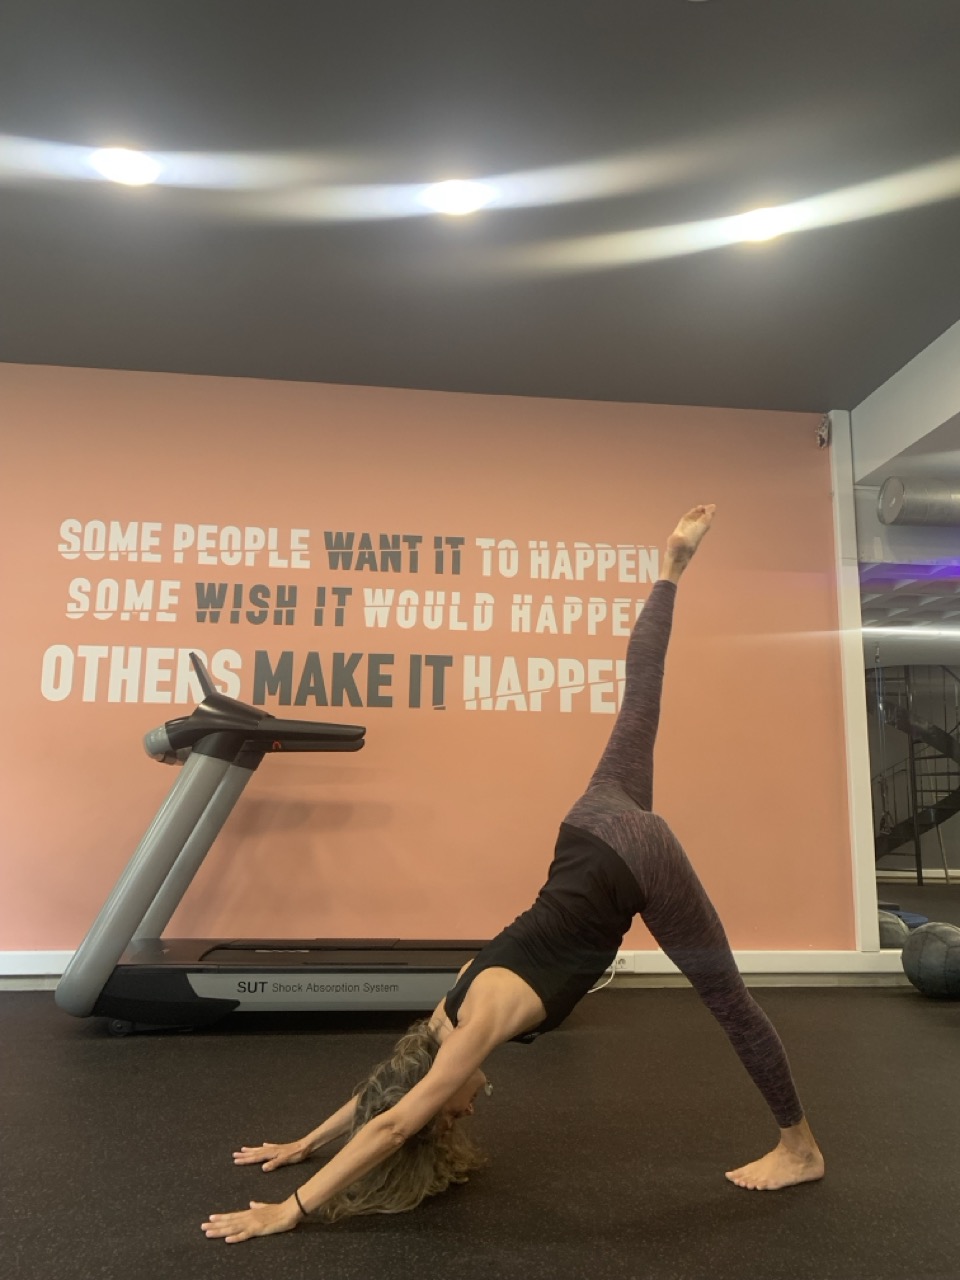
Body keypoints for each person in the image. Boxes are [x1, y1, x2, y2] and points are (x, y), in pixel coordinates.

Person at [202, 504, 824, 1245]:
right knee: (640, 700)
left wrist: (292, 1207)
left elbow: (396, 1121)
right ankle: (670, 570)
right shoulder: (446, 1013)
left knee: (730, 1002)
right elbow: (384, 1091)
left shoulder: (474, 1029)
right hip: (587, 824)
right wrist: (305, 1141)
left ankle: (800, 1149)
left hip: (635, 861)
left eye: (453, 1111)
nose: (468, 1107)